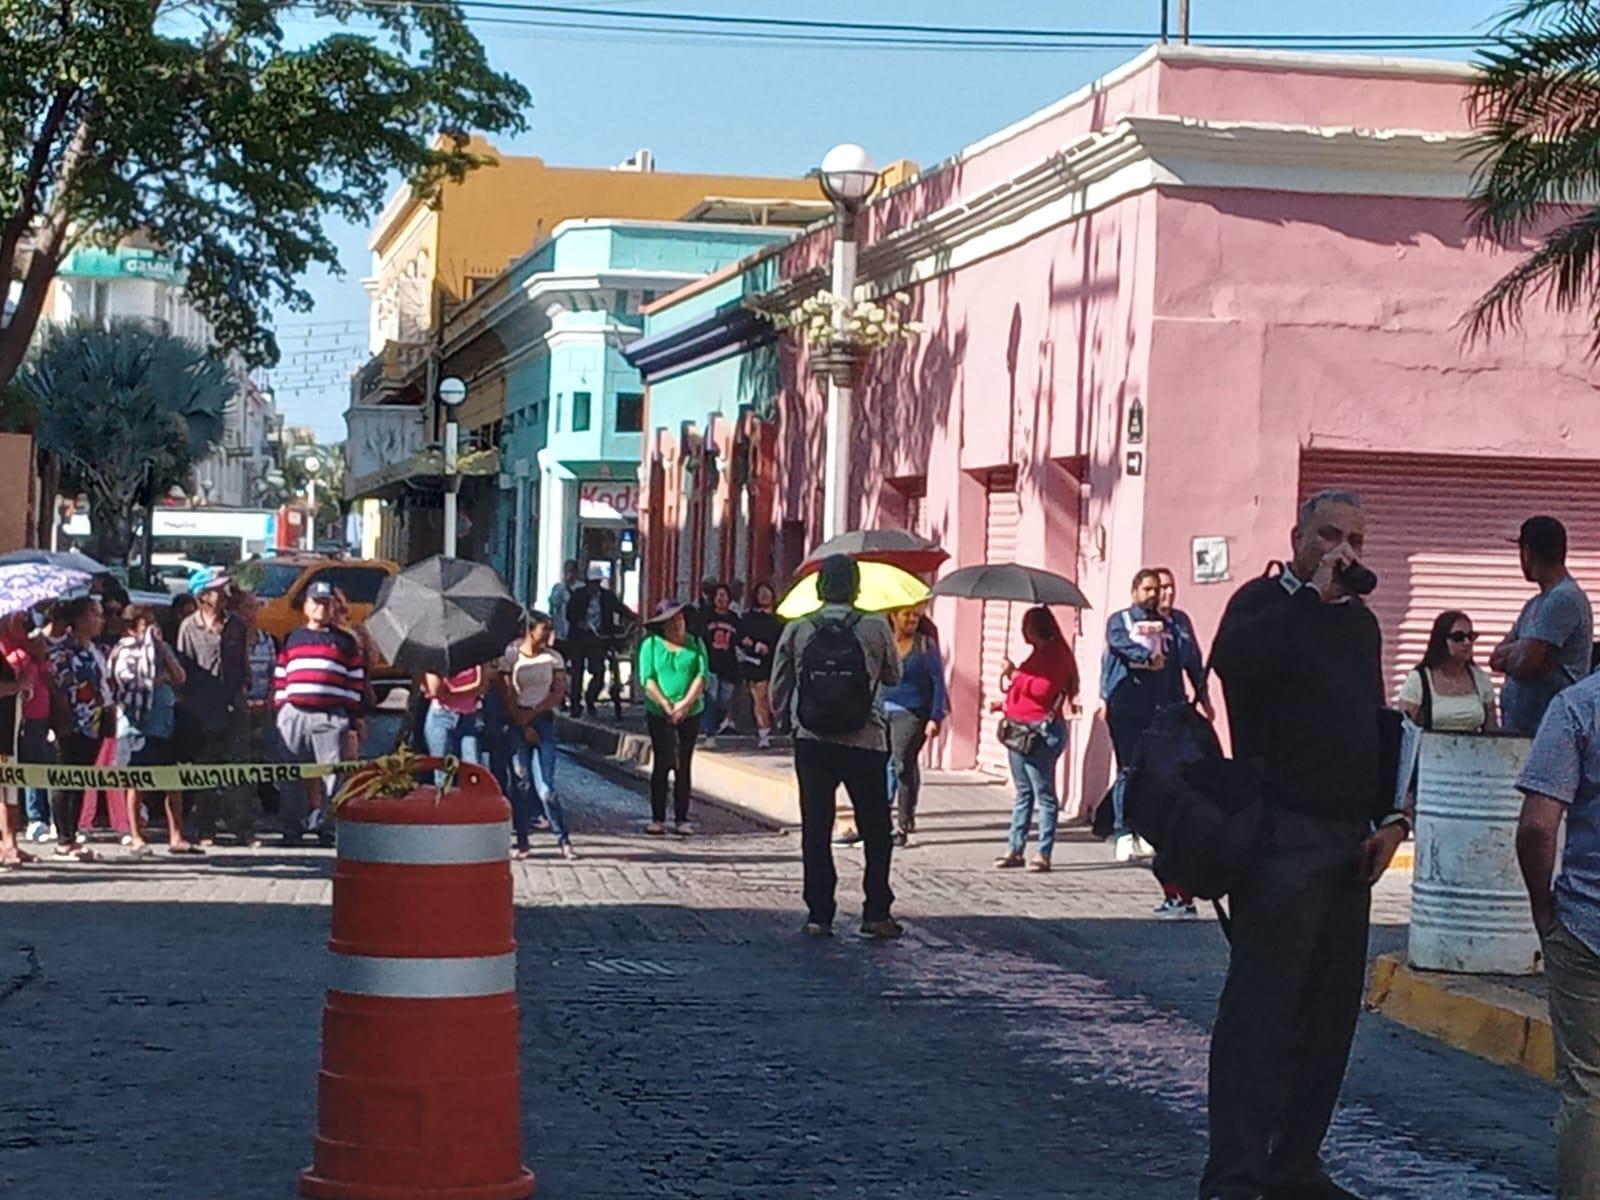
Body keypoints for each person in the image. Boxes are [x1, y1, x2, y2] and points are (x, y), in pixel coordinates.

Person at [1203, 488, 1408, 1200]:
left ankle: (1295, 1162)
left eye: (1355, 537)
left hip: (1348, 838)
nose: (1343, 550)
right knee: (1263, 1009)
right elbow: (1237, 669)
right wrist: (1305, 600)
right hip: (1281, 833)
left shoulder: (1361, 626)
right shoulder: (1263, 606)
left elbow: (1371, 720)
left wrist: (1390, 820)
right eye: (1328, 535)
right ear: (1298, 537)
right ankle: (1234, 1172)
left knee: (1329, 1017)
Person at [771, 554, 903, 940]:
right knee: (876, 829)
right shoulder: (876, 625)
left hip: (812, 740)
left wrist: (785, 720)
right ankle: (876, 911)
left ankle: (819, 914)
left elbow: (779, 684)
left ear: (818, 588)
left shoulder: (799, 628)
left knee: (816, 827)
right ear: (857, 587)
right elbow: (894, 675)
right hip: (866, 740)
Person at [1515, 669, 1600, 1199]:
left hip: (1587, 923)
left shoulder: (1576, 707)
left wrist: (1543, 909)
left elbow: (1536, 827)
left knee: (1590, 1088)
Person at [1102, 569, 1186, 866]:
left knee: (1154, 770)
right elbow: (1120, 645)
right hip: (1126, 705)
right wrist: (1147, 658)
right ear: (1135, 591)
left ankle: (1146, 829)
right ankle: (1123, 831)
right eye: (1147, 589)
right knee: (1128, 768)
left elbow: (1178, 663)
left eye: (1156, 589)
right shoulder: (1120, 620)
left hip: (1158, 705)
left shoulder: (1167, 625)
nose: (1153, 594)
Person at [275, 580, 365, 846]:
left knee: (332, 776)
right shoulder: (293, 637)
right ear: (306, 606)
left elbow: (355, 679)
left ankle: (329, 828)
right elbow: (281, 673)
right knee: (290, 773)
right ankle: (292, 827)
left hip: (330, 716)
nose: (321, 608)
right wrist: (282, 708)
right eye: (316, 602)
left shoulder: (345, 641)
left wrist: (348, 715)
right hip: (293, 715)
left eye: (326, 604)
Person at [992, 606, 1078, 872]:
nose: (1022, 631)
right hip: (1019, 730)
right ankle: (1015, 848)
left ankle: (1043, 851)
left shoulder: (1056, 656)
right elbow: (1025, 694)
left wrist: (1015, 674)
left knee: (1044, 793)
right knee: (1023, 793)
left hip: (1039, 733)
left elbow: (1042, 691)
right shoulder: (1036, 655)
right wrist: (1005, 703)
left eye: (1026, 625)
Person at [1493, 516, 1593, 735]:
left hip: (1548, 733)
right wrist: (1520, 650)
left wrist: (1521, 651)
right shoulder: (1535, 604)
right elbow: (1496, 658)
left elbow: (1525, 663)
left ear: (1528, 552)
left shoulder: (1563, 599)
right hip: (1522, 732)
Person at [1152, 566, 1215, 916]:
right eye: (1160, 588)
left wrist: (1204, 699)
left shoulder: (1180, 622)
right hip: (1144, 714)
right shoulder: (1134, 624)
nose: (1167, 594)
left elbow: (1194, 662)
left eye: (1171, 587)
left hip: (1175, 713)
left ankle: (1181, 893)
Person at [110, 605, 196, 856]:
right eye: (146, 624)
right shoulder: (124, 651)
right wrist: (160, 679)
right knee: (138, 782)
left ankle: (177, 836)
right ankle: (136, 835)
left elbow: (179, 676)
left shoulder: (162, 648)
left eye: (153, 622)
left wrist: (162, 651)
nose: (152, 628)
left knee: (172, 780)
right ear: (132, 627)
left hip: (165, 722)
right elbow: (129, 684)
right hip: (137, 725)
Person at [176, 569, 253, 846]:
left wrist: (243, 691)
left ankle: (243, 828)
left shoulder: (237, 626)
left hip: (233, 705)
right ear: (202, 596)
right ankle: (205, 828)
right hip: (201, 709)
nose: (222, 595)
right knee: (204, 769)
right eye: (216, 590)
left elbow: (243, 663)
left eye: (224, 589)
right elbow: (183, 668)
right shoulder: (188, 627)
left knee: (240, 768)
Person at [500, 610, 572, 859]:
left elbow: (557, 692)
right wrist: (521, 720)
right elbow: (506, 691)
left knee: (546, 788)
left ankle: (562, 837)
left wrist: (534, 713)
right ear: (530, 631)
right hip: (517, 721)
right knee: (520, 782)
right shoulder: (511, 655)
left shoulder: (554, 659)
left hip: (542, 721)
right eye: (544, 630)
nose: (549, 635)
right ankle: (522, 840)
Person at [47, 596, 113, 861]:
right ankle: (63, 838)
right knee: (66, 780)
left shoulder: (94, 649)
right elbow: (59, 686)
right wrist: (61, 722)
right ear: (80, 619)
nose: (101, 620)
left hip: (95, 723)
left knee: (82, 780)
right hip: (71, 725)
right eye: (94, 614)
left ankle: (73, 837)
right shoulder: (66, 651)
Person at [636, 599, 709, 835]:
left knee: (683, 765)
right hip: (659, 712)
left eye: (680, 620)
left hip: (690, 711)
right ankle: (657, 817)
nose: (677, 625)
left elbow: (701, 676)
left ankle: (681, 818)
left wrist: (684, 705)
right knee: (662, 763)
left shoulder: (696, 644)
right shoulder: (651, 646)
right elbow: (648, 679)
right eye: (672, 621)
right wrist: (667, 705)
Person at [882, 604, 948, 848]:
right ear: (893, 616)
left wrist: (936, 716)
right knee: (880, 765)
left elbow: (938, 681)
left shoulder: (925, 645)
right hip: (881, 711)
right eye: (906, 614)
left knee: (902, 765)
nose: (912, 619)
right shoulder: (884, 642)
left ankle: (903, 824)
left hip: (912, 713)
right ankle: (880, 819)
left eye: (916, 615)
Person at [1397, 610, 1496, 734]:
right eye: (1458, 638)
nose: (1467, 643)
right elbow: (1405, 729)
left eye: (1471, 637)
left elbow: (1492, 732)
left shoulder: (1481, 679)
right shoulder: (1419, 679)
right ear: (1441, 641)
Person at [3, 610, 53, 846]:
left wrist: (39, 654)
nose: (23, 622)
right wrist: (17, 684)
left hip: (26, 719)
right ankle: (13, 837)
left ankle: (13, 840)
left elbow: (45, 670)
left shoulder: (26, 645)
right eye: (17, 618)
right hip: (7, 724)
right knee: (7, 781)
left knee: (17, 779)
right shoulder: (5, 650)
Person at [234, 591, 281, 822]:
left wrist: (270, 700)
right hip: (239, 708)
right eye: (247, 608)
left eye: (254, 608)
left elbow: (275, 673)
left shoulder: (266, 640)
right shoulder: (231, 639)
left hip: (263, 708)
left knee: (263, 756)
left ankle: (264, 801)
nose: (251, 614)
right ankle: (242, 811)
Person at [564, 565, 634, 718]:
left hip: (598, 639)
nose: (595, 586)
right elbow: (570, 614)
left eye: (598, 582)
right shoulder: (578, 595)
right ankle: (575, 705)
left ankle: (591, 696)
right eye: (592, 582)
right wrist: (580, 623)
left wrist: (632, 617)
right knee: (577, 671)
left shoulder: (607, 596)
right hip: (579, 639)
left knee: (599, 671)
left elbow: (619, 608)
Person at [738, 583, 784, 750]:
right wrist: (754, 646)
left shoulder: (781, 619)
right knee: (760, 698)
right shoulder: (749, 618)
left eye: (767, 592)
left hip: (777, 663)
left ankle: (778, 725)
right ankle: (763, 733)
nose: (764, 596)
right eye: (760, 593)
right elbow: (740, 638)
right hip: (756, 664)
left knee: (775, 697)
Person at [421, 662, 489, 767]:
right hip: (442, 718)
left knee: (473, 767)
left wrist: (450, 693)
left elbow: (483, 686)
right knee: (444, 771)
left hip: (469, 718)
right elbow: (437, 692)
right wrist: (474, 689)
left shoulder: (477, 657)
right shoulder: (436, 657)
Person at [700, 583, 741, 746]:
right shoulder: (706, 617)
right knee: (712, 698)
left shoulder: (734, 619)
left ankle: (717, 723)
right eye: (719, 595)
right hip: (711, 664)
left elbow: (740, 637)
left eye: (724, 595)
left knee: (724, 700)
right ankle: (710, 734)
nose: (722, 599)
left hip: (729, 664)